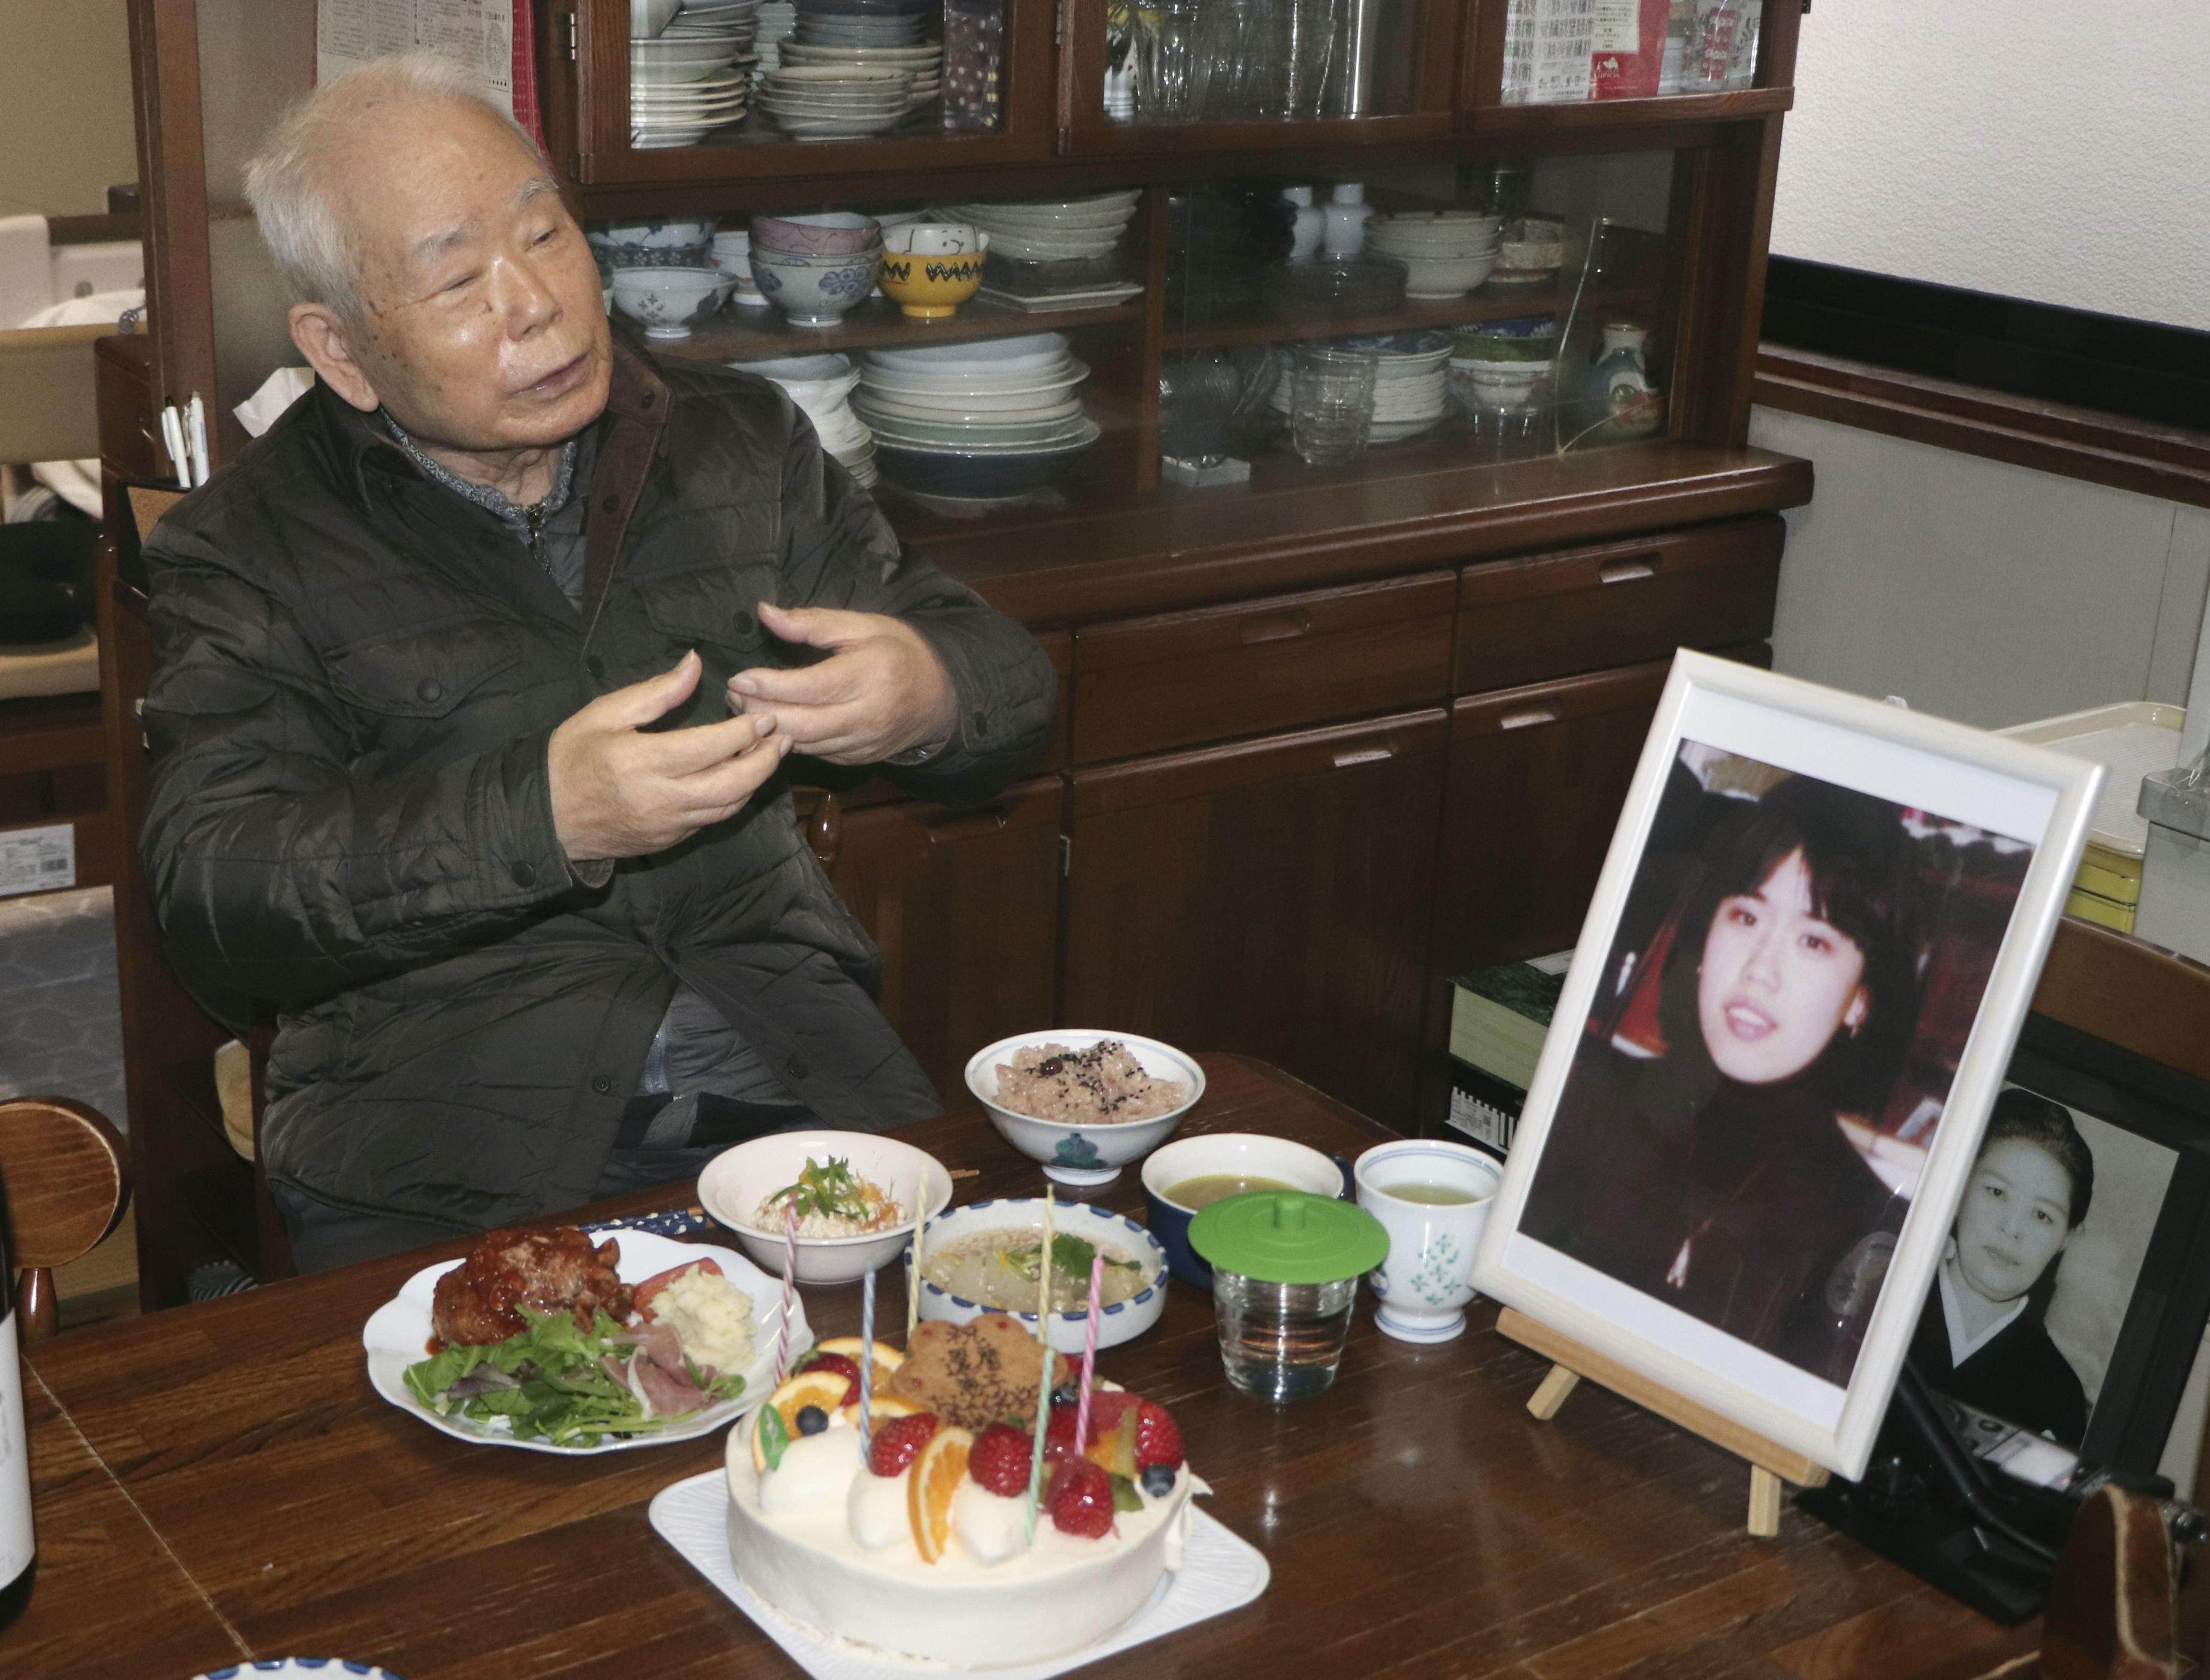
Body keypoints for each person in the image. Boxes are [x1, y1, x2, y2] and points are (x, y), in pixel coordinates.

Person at [136, 56, 1054, 1270]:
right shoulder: (245, 546)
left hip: (790, 1073)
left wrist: (926, 692)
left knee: (963, 1394)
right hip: (447, 1137)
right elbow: (214, 897)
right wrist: (545, 814)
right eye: (459, 279)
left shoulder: (742, 445)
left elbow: (1013, 687)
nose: (538, 303)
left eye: (547, 234)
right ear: (343, 350)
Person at [1520, 771, 1924, 1385]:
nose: (1760, 969)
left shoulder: (1860, 1221)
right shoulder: (1587, 1101)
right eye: (1745, 916)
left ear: (1860, 1000)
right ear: (1706, 939)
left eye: (1813, 941)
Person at [1911, 1089, 2094, 1447]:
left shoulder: (2059, 1394)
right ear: (1960, 1187)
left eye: (2042, 1216)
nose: (2012, 1229)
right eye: (1996, 1192)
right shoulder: (1875, 1299)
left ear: (2068, 1237)